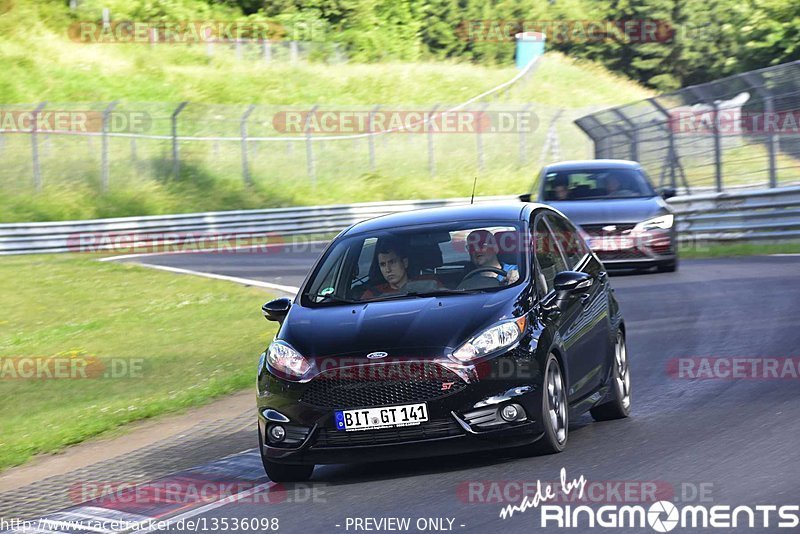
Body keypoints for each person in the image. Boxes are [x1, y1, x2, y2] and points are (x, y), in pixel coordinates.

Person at [360, 241, 443, 299]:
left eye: (392, 262)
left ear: (405, 263)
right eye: (383, 264)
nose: (388, 270)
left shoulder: (429, 283)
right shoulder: (372, 294)